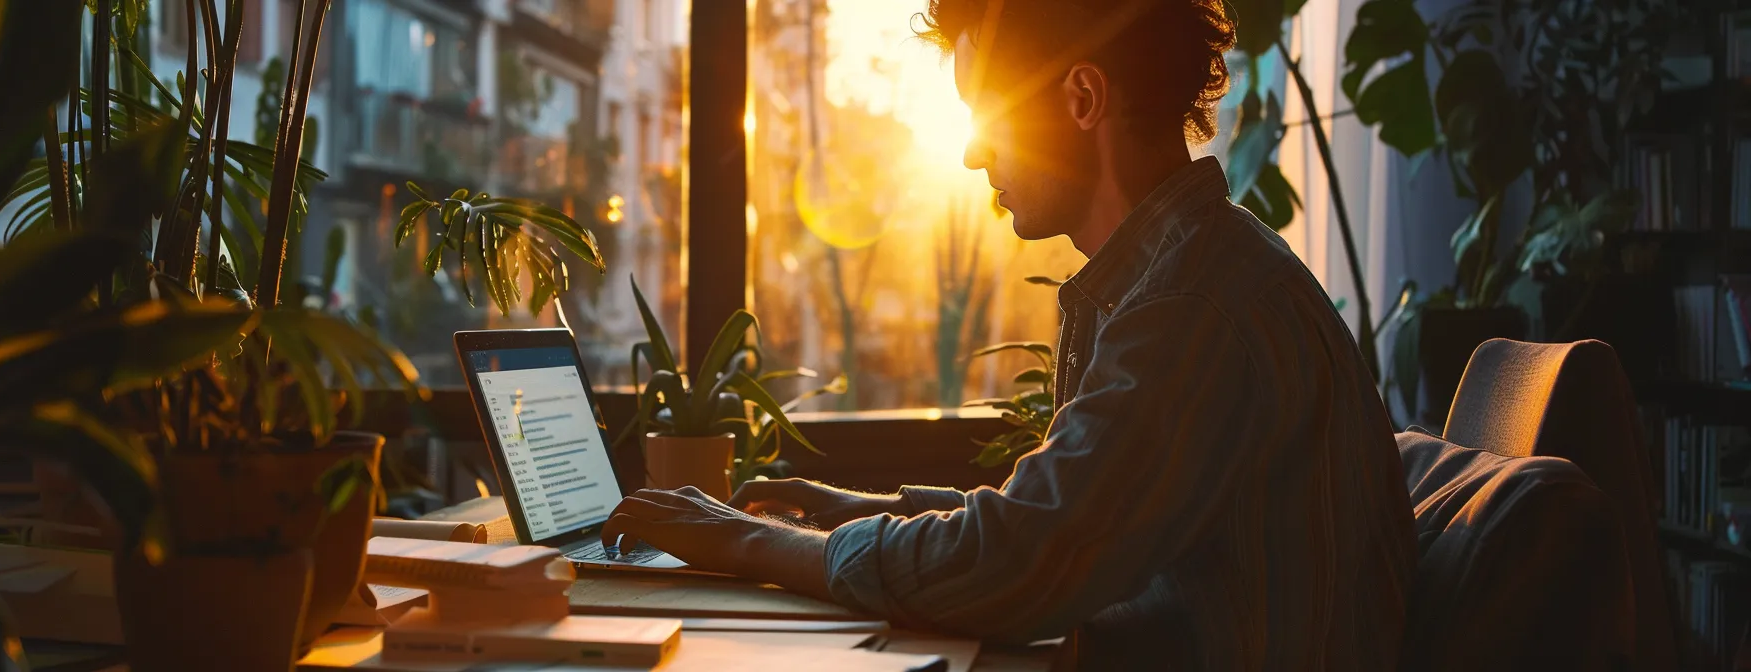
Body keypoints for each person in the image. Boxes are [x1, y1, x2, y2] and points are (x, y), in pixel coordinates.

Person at [601, 0, 1416, 668]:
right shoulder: (1192, 271)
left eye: (988, 112)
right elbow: (1073, 522)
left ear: (1083, 99)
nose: (968, 152)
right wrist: (863, 508)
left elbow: (1023, 563)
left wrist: (742, 542)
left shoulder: (1194, 307)